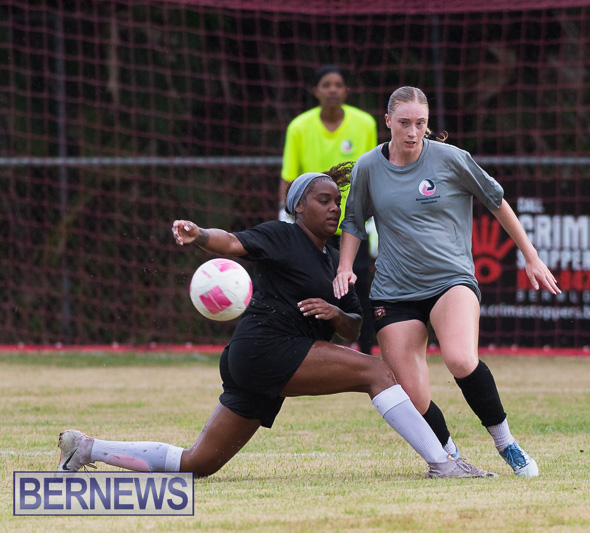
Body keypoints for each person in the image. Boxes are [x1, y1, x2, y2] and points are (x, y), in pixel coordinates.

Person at [57, 164, 493, 479]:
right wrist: (200, 236)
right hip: (266, 347)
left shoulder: (336, 261)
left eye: (337, 202)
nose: (333, 209)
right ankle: (443, 464)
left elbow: (354, 329)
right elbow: (232, 243)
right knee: (378, 372)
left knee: (198, 464)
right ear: (298, 206)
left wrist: (336, 313)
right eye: (323, 201)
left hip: (261, 361)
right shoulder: (282, 235)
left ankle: (88, 448)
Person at [332, 87, 561, 478]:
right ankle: (449, 453)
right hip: (393, 290)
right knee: (411, 392)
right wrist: (345, 267)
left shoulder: (452, 160)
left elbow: (496, 201)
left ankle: (506, 443)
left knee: (459, 358)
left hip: (450, 280)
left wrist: (531, 255)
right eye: (404, 123)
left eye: (420, 123)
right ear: (388, 122)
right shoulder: (369, 166)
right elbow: (354, 220)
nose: (413, 131)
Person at [280, 64, 377, 355]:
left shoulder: (364, 124)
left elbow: (373, 171)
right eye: (326, 84)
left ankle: (367, 349)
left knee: (358, 286)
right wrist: (287, 215)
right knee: (308, 286)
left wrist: (374, 217)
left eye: (338, 84)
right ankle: (308, 347)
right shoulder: (298, 127)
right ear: (316, 90)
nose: (332, 89)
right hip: (310, 227)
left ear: (346, 90)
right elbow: (288, 176)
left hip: (353, 223)